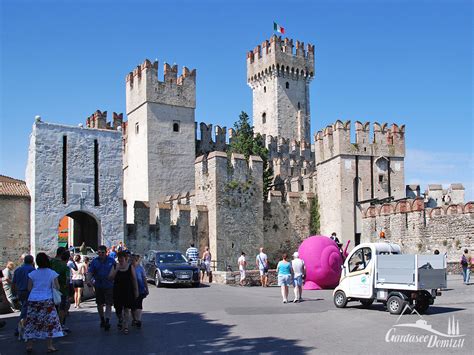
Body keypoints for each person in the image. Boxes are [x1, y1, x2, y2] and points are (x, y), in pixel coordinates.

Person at [23, 252, 63, 353]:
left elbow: (29, 288)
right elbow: (57, 287)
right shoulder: (52, 273)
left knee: (32, 322)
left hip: (33, 300)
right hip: (47, 300)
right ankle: (49, 346)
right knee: (49, 323)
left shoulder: (32, 274)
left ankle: (29, 345)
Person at [87, 245, 116, 331]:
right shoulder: (95, 261)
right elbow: (90, 272)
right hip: (98, 285)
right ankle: (102, 319)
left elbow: (115, 270)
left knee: (108, 303)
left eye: (102, 252)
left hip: (109, 285)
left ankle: (107, 320)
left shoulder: (111, 260)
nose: (101, 254)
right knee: (99, 303)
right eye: (99, 253)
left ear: (106, 252)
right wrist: (88, 280)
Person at [109, 251, 138, 334]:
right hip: (117, 291)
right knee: (118, 309)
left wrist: (136, 291)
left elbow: (134, 279)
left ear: (126, 258)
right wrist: (116, 269)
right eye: (119, 258)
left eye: (122, 258)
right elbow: (110, 278)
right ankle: (120, 319)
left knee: (126, 309)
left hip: (127, 290)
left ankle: (126, 326)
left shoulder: (130, 267)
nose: (120, 260)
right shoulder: (115, 266)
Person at [12, 255, 35, 337]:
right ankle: (19, 328)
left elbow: (13, 283)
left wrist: (14, 293)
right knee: (25, 310)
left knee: (24, 308)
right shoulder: (32, 270)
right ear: (32, 261)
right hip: (29, 291)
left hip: (20, 291)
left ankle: (24, 326)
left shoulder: (18, 270)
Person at [50, 248, 71, 333]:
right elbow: (67, 279)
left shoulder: (50, 263)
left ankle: (53, 325)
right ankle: (60, 325)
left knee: (52, 309)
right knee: (62, 308)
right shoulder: (64, 266)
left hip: (50, 289)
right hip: (62, 289)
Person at [131, 254, 148, 328]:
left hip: (140, 288)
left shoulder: (140, 268)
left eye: (134, 260)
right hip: (131, 289)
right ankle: (134, 319)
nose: (133, 262)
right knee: (132, 305)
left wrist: (146, 288)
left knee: (139, 304)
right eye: (131, 260)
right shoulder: (129, 268)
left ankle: (138, 320)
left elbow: (144, 278)